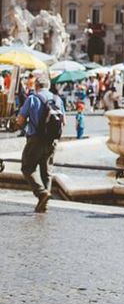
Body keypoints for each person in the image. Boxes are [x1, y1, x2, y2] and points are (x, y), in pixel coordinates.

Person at [16, 74, 66, 213]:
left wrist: (21, 125)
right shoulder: (57, 99)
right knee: (46, 172)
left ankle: (41, 193)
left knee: (27, 167)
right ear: (48, 86)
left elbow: (20, 120)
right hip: (52, 140)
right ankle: (44, 204)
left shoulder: (32, 98)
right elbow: (64, 122)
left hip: (35, 139)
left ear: (36, 86)